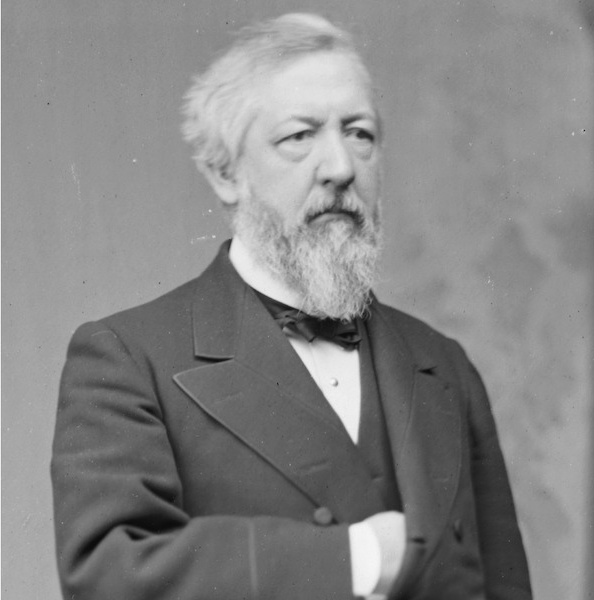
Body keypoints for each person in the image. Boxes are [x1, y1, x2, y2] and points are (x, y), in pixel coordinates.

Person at [51, 13, 531, 600]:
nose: (340, 168)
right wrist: (355, 559)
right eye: (299, 136)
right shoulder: (128, 359)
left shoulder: (445, 366)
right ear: (226, 174)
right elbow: (108, 577)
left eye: (360, 133)